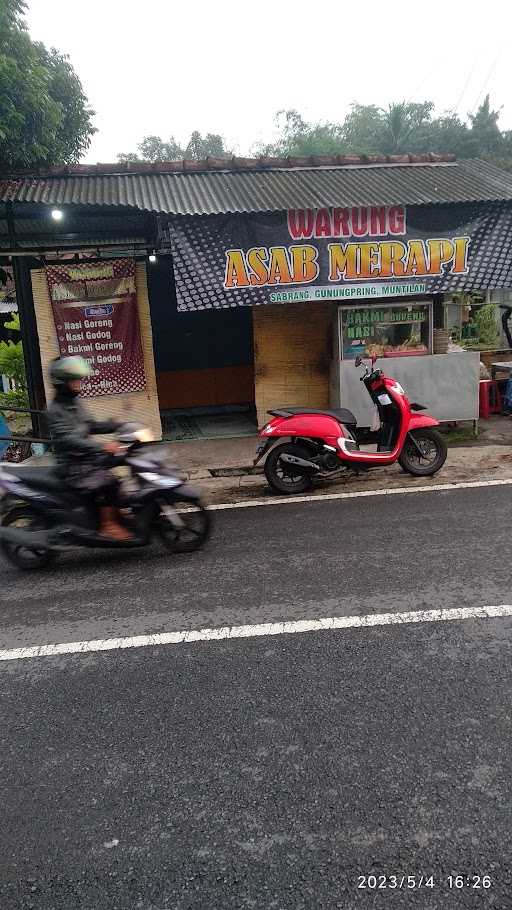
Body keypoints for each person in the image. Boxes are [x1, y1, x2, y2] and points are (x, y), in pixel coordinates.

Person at [47, 355, 133, 541]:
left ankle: (114, 509)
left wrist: (116, 424)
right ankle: (107, 525)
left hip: (85, 458)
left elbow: (90, 425)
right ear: (62, 382)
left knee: (123, 458)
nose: (79, 382)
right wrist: (103, 446)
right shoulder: (55, 411)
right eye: (74, 379)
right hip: (73, 465)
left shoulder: (74, 403)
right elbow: (70, 440)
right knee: (108, 481)